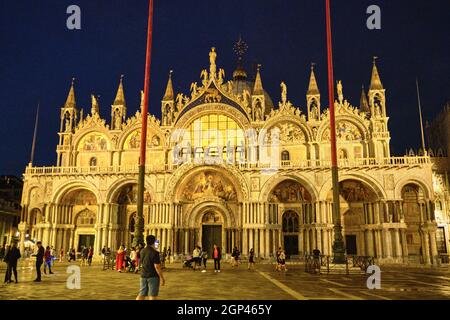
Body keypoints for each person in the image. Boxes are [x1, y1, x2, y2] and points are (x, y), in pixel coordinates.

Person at [136, 235, 165, 300]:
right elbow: (157, 266)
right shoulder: (155, 252)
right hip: (153, 276)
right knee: (152, 295)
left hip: (143, 275)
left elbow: (140, 261)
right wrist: (162, 278)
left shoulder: (142, 251)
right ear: (154, 242)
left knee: (141, 294)